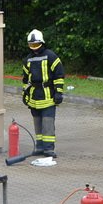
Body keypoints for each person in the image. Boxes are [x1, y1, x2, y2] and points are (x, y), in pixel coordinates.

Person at [21, 28, 65, 158]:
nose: (34, 48)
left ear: (42, 43)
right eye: (31, 45)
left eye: (36, 45)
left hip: (48, 95)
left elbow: (59, 75)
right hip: (35, 96)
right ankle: (39, 147)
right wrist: (25, 94)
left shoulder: (51, 56)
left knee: (47, 123)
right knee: (37, 123)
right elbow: (25, 79)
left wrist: (58, 93)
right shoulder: (27, 60)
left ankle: (49, 149)